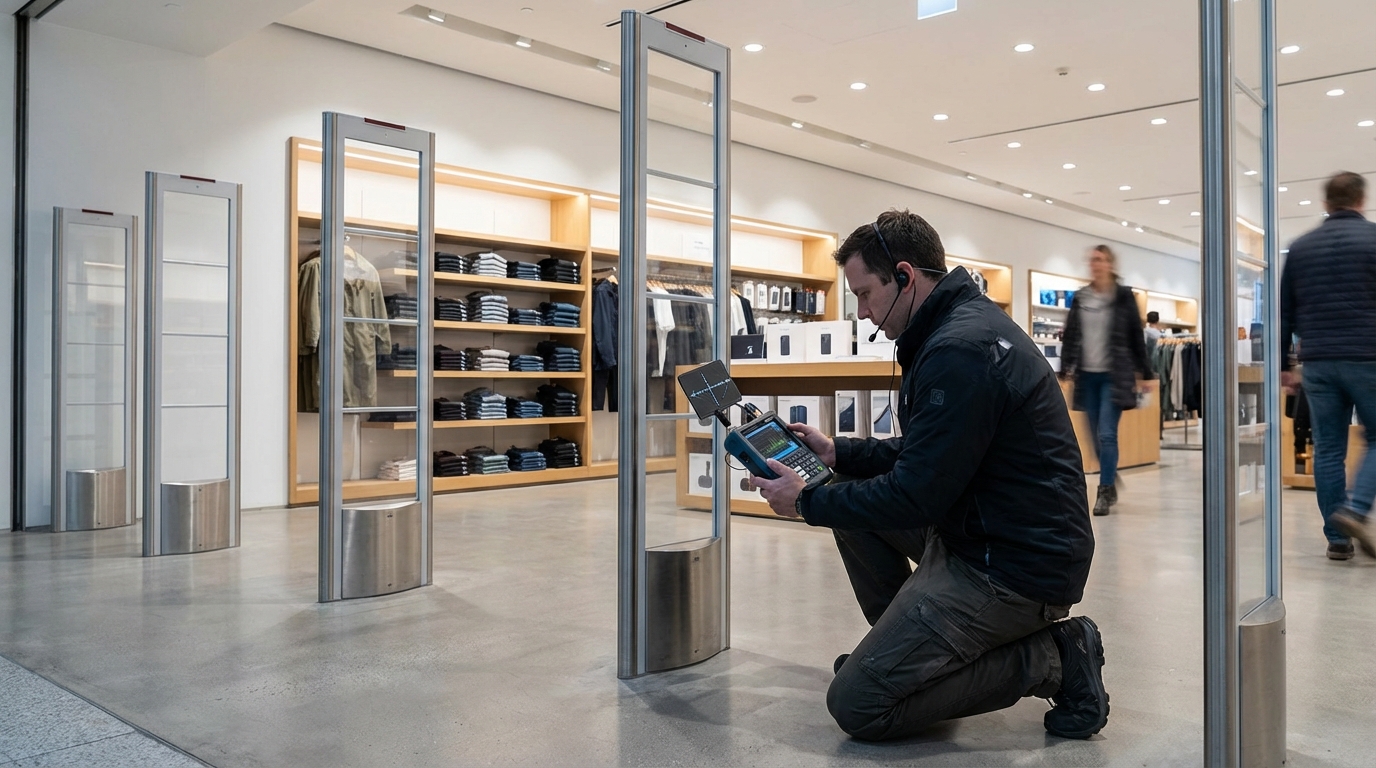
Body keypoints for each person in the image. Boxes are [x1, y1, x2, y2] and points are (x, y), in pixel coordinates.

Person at [752, 209, 1106, 742]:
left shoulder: (958, 350)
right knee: (845, 492)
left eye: (867, 294)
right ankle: (909, 657)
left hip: (1012, 567)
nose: (865, 313)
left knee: (860, 704)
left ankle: (1054, 657)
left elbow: (916, 494)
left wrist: (804, 503)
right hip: (986, 534)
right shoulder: (957, 328)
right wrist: (839, 453)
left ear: (905, 276)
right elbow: (933, 452)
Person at [1280, 171, 1376, 561]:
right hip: (1368, 357)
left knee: (1328, 449)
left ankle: (1338, 539)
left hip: (1317, 362)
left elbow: (1284, 312)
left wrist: (1286, 364)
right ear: (1360, 200)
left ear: (1326, 203)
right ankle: (1355, 509)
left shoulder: (1301, 247)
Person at [1059, 245, 1154, 516]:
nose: (1095, 264)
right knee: (1093, 437)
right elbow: (1072, 333)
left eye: (1100, 260)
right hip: (1087, 377)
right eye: (1092, 260)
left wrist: (1145, 373)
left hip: (1114, 376)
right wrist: (1066, 366)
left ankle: (1103, 490)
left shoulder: (1124, 296)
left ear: (1110, 264)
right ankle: (1110, 478)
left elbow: (1136, 336)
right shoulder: (1081, 297)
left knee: (1107, 433)